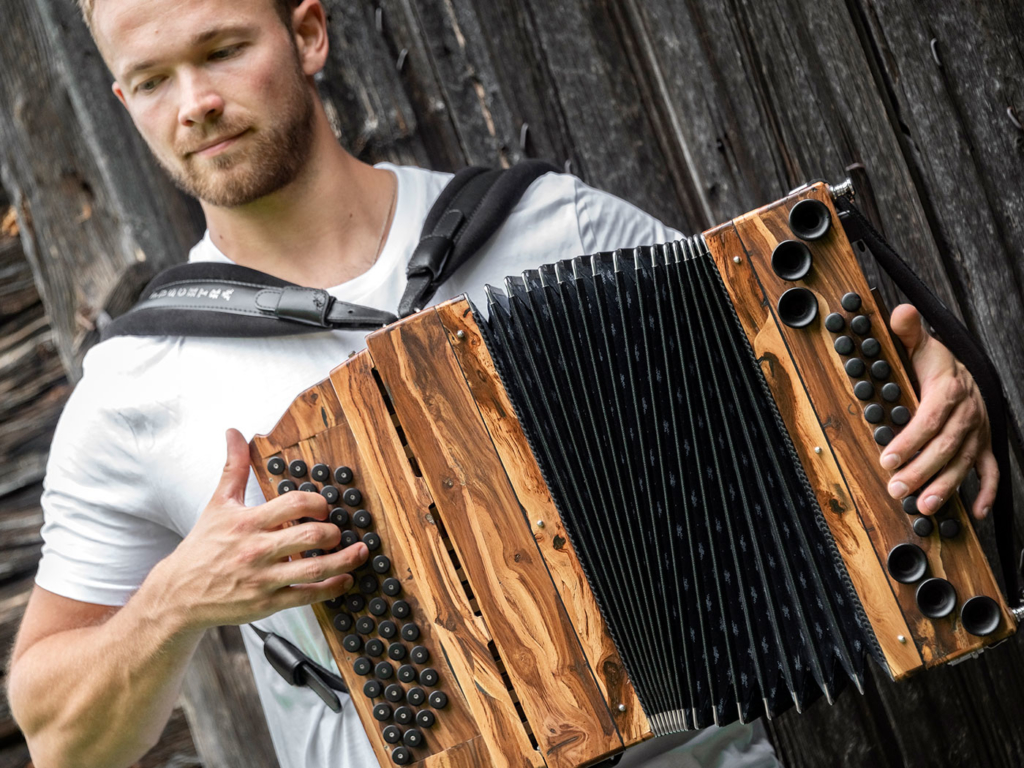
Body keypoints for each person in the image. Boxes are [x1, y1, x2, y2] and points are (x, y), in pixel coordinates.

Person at [5, 0, 999, 767]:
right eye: (152, 79)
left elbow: (812, 413)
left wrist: (924, 392)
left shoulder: (550, 224)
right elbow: (57, 734)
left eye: (221, 51)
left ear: (307, 33)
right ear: (123, 102)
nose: (197, 105)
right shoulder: (136, 389)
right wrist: (170, 603)